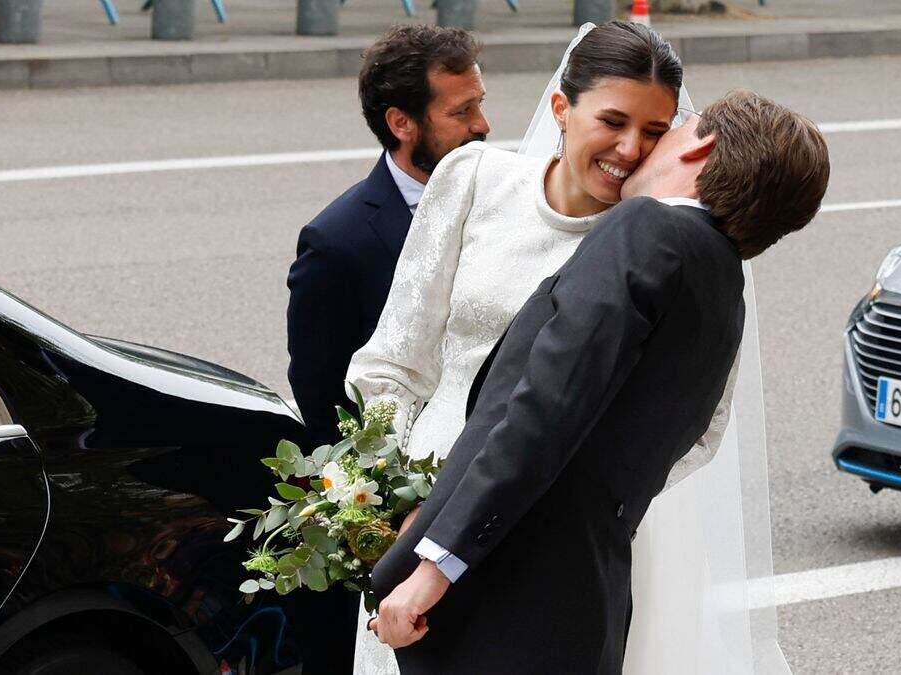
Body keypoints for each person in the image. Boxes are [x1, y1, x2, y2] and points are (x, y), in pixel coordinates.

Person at [369, 89, 831, 674]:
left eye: (669, 131)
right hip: (584, 604)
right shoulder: (724, 291)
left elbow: (546, 410)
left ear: (702, 145)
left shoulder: (648, 230)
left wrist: (435, 567)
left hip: (503, 596)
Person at [343, 21, 693, 674]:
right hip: (413, 519)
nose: (630, 149)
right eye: (613, 120)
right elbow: (392, 363)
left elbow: (696, 426)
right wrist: (393, 494)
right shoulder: (474, 179)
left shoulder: (659, 256)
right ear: (562, 108)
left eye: (654, 132)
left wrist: (555, 506)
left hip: (552, 553)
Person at [284, 24, 487, 673]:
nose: (484, 125)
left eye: (480, 102)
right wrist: (379, 528)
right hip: (399, 529)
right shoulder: (338, 242)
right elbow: (324, 409)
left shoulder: (500, 201)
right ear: (402, 122)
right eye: (462, 112)